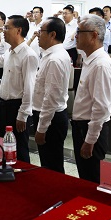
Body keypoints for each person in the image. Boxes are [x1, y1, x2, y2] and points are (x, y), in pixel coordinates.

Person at [71, 14, 111, 183]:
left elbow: (101, 107)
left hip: (90, 130)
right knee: (85, 177)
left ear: (94, 35)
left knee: (92, 179)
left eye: (79, 32)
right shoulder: (90, 59)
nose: (75, 36)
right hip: (82, 127)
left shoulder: (101, 64)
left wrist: (90, 140)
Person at [0, 15, 38, 163]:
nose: (3, 30)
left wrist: (23, 115)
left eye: (7, 28)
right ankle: (6, 170)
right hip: (3, 105)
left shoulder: (28, 55)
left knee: (19, 148)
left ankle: (22, 173)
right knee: (4, 145)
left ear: (18, 30)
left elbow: (30, 87)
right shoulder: (9, 51)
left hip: (17, 107)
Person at [33, 17, 71, 173]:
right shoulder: (50, 55)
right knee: (48, 164)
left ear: (52, 34)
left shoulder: (55, 59)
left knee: (52, 166)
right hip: (50, 116)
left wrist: (42, 128)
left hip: (51, 119)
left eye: (41, 31)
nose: (38, 34)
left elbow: (51, 98)